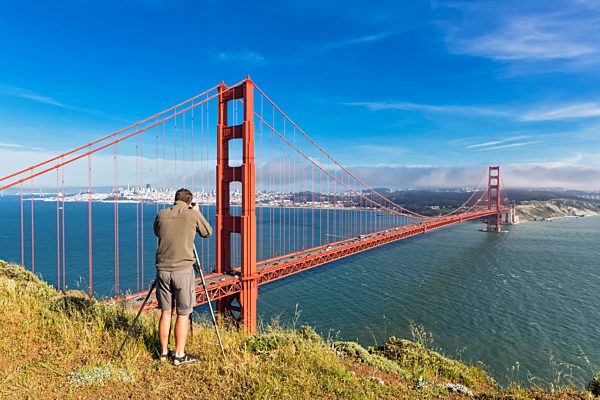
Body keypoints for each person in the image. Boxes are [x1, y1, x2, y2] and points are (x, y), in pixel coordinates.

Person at [153, 188, 212, 366]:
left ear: (174, 199)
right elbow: (207, 232)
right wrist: (196, 212)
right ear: (189, 202)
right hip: (183, 271)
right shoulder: (191, 214)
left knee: (165, 312)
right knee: (183, 313)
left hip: (162, 271)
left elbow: (157, 232)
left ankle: (163, 354)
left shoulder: (161, 214)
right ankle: (179, 355)